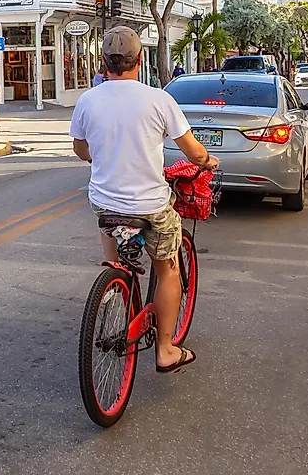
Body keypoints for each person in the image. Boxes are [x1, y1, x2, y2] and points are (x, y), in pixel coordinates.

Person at [71, 26, 217, 375]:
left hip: (105, 202)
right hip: (150, 205)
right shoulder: (158, 100)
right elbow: (192, 150)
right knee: (168, 268)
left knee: (113, 243)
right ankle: (166, 349)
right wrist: (206, 161)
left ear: (104, 62)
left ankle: (114, 286)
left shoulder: (88, 100)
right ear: (140, 60)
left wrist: (103, 156)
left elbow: (81, 149)